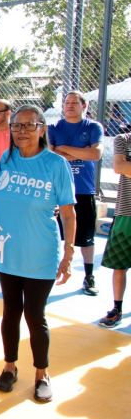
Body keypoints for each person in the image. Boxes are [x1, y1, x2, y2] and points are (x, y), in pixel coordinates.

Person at [0, 105, 75, 403]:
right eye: (17, 126)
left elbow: (68, 212)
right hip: (9, 251)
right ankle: (10, 366)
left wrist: (68, 252)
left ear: (42, 129)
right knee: (10, 311)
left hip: (40, 253)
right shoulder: (7, 158)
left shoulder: (55, 164)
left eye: (29, 125)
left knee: (34, 314)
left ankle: (42, 373)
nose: (22, 131)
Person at [48, 91, 103, 296]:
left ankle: (89, 276)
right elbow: (50, 155)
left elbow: (95, 154)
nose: (69, 105)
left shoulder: (93, 127)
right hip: (56, 190)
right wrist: (80, 151)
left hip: (83, 190)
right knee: (53, 234)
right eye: (67, 102)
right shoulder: (54, 128)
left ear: (84, 106)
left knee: (85, 237)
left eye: (74, 103)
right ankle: (48, 271)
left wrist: (64, 149)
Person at [98, 129, 131, 328]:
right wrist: (125, 167)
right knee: (120, 265)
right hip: (125, 213)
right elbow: (119, 166)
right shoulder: (123, 139)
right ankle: (117, 308)